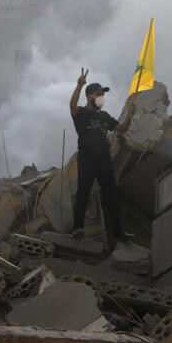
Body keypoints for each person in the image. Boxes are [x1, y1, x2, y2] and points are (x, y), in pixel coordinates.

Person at [69, 67, 135, 240]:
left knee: (112, 195)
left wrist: (130, 116)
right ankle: (77, 228)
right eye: (99, 94)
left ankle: (118, 233)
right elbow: (72, 106)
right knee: (83, 192)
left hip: (104, 161)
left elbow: (122, 129)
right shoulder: (82, 113)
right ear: (90, 95)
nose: (102, 98)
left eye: (103, 94)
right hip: (87, 160)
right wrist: (79, 85)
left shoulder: (104, 116)